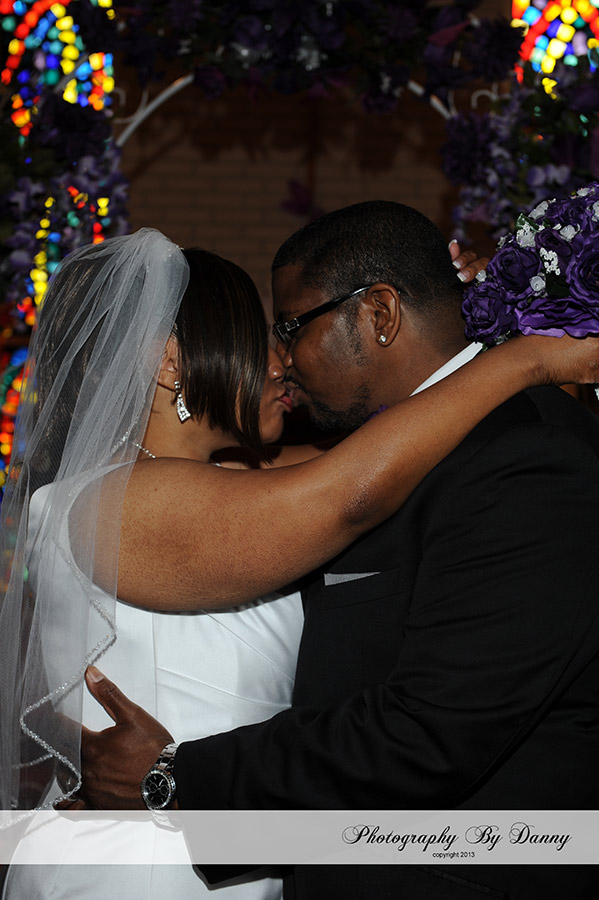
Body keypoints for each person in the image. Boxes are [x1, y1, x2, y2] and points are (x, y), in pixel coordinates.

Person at [77, 201, 599, 900]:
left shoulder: (523, 459)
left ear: (379, 313)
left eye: (292, 327)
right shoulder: (359, 469)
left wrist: (177, 777)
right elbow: (342, 494)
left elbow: (431, 733)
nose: (283, 360)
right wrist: (519, 356)